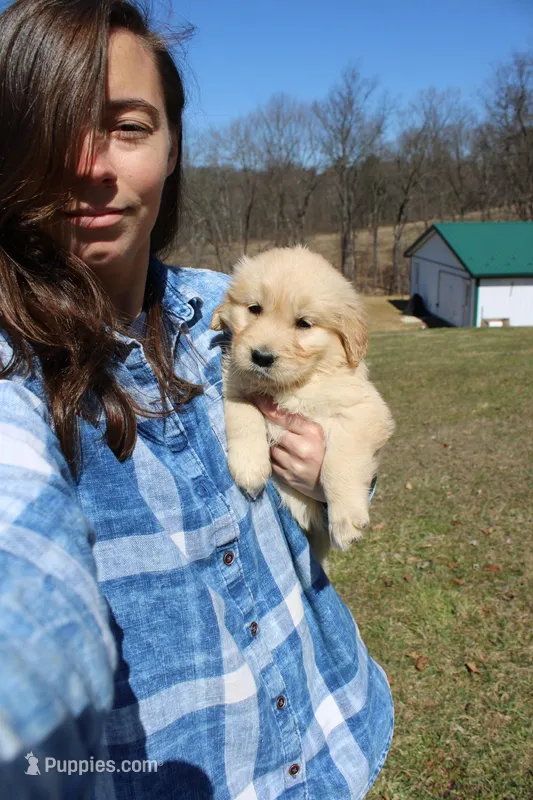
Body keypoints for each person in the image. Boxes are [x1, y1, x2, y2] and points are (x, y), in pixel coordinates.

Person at [0, 1, 394, 798]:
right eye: (52, 127)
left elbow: (353, 416)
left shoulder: (224, 307)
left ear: (173, 146)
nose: (89, 164)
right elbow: (23, 567)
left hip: (334, 729)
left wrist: (331, 473)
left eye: (128, 126)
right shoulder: (14, 369)